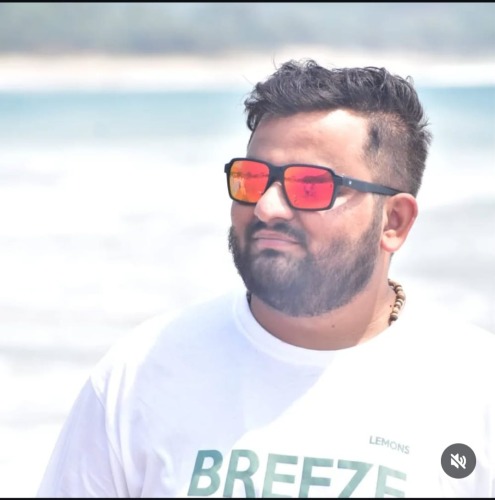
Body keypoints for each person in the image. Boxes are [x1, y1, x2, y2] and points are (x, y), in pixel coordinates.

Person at [37, 59, 495, 498]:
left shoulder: (475, 388)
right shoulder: (143, 372)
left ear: (393, 221)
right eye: (252, 178)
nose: (267, 207)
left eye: (311, 186)